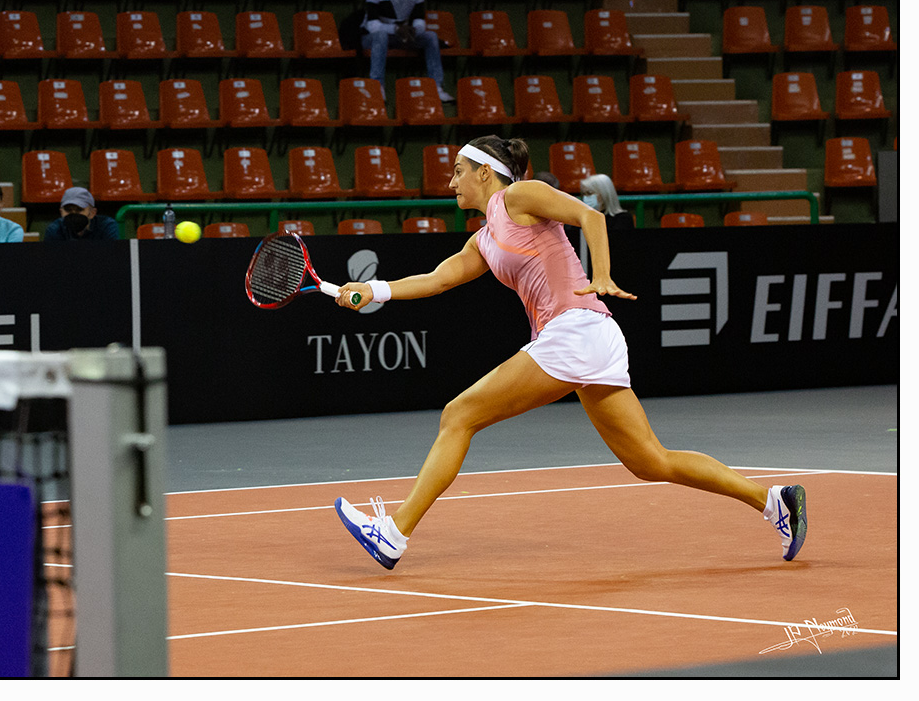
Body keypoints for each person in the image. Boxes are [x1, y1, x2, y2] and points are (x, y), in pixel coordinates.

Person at [331, 135, 807, 570]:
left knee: (459, 415)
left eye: (458, 171)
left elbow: (591, 216)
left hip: (575, 331)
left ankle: (393, 534)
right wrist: (373, 291)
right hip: (590, 338)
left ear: (485, 172)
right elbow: (439, 279)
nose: (451, 181)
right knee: (650, 461)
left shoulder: (519, 196)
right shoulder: (484, 239)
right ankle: (773, 502)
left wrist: (601, 275)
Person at [360, 0, 453, 102]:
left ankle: (436, 87)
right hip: (372, 37)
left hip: (400, 35)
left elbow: (419, 20)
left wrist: (415, 30)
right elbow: (372, 25)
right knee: (380, 36)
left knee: (431, 36)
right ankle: (377, 86)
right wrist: (396, 29)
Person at [43, 186, 119, 241]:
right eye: (68, 210)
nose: (73, 214)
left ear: (92, 213)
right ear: (61, 212)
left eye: (79, 209)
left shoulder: (106, 227)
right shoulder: (54, 230)